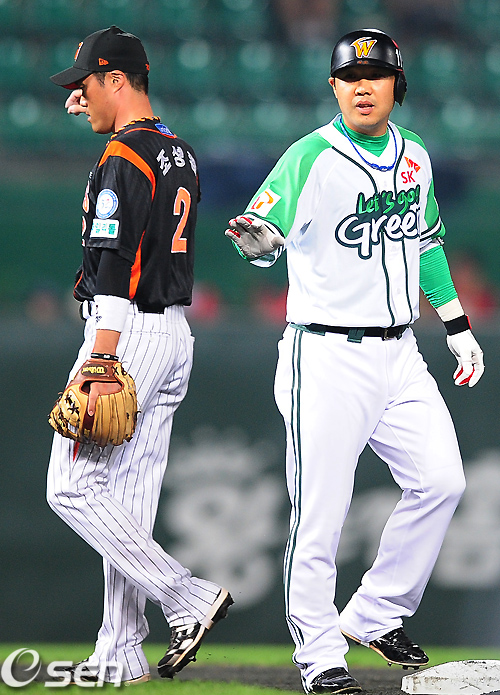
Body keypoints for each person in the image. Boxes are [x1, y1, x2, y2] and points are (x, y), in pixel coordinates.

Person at [225, 28, 484, 695]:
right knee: (321, 514)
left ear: (397, 85)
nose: (362, 87)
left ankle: (374, 612)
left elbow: (427, 241)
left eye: (375, 75)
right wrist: (259, 242)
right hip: (326, 354)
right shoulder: (309, 156)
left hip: (402, 352)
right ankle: (319, 656)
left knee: (442, 481)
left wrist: (456, 324)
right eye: (349, 77)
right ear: (334, 87)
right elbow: (262, 231)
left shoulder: (415, 154)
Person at [47, 25, 233, 685]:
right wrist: (101, 118)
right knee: (125, 498)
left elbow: (114, 259)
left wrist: (102, 357)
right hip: (174, 333)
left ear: (117, 79)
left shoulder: (123, 156)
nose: (78, 98)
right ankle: (120, 650)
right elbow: (145, 210)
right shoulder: (178, 151)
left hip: (124, 334)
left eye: (86, 84)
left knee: (70, 487)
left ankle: (187, 596)